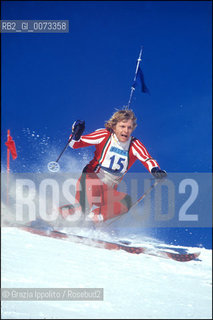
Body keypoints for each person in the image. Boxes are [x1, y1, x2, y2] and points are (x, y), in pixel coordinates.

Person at [60, 109, 167, 223]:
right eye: (122, 126)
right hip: (90, 181)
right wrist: (76, 134)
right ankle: (53, 215)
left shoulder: (134, 144)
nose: (126, 130)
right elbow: (75, 144)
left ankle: (92, 221)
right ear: (114, 126)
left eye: (129, 127)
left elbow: (147, 158)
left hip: (107, 190)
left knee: (125, 202)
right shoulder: (105, 135)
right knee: (81, 210)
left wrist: (155, 170)